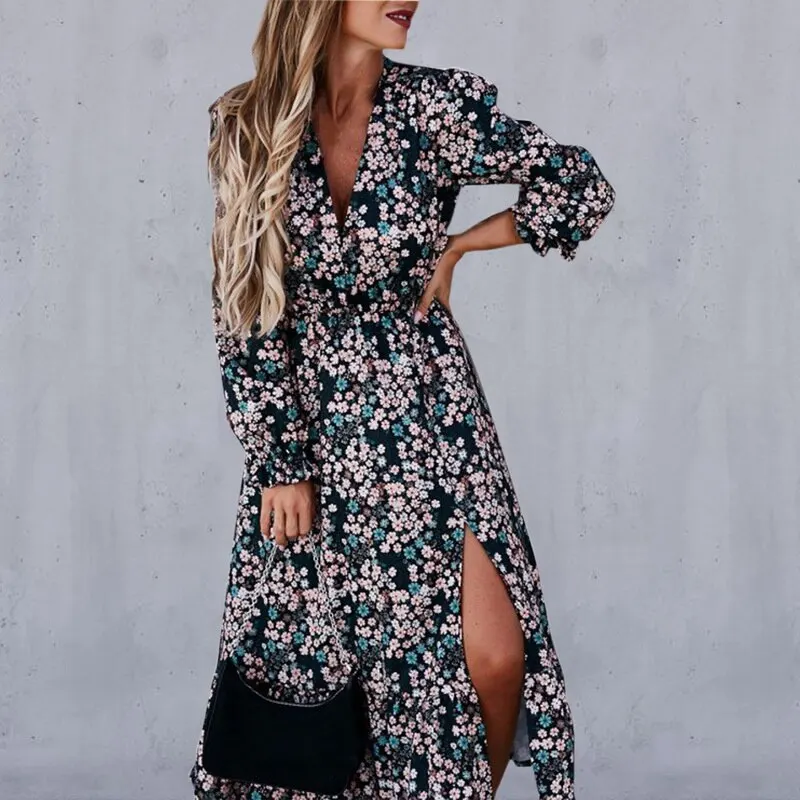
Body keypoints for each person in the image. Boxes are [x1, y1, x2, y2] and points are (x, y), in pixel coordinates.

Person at [190, 1, 616, 798]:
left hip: (431, 411)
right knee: (336, 677)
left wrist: (462, 245)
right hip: (316, 435)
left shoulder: (436, 107)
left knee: (496, 655)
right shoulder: (248, 121)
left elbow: (579, 184)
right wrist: (281, 461)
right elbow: (241, 305)